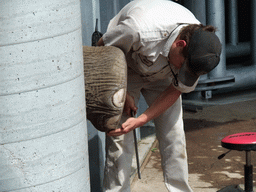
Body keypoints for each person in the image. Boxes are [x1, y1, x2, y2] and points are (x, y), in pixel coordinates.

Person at [97, 0, 222, 191]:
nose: (185, 72)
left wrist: (141, 120)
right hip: (124, 66)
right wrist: (120, 90)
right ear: (180, 44)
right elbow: (102, 51)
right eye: (184, 67)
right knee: (120, 139)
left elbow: (175, 90)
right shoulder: (138, 29)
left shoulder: (200, 51)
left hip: (164, 72)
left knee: (174, 135)